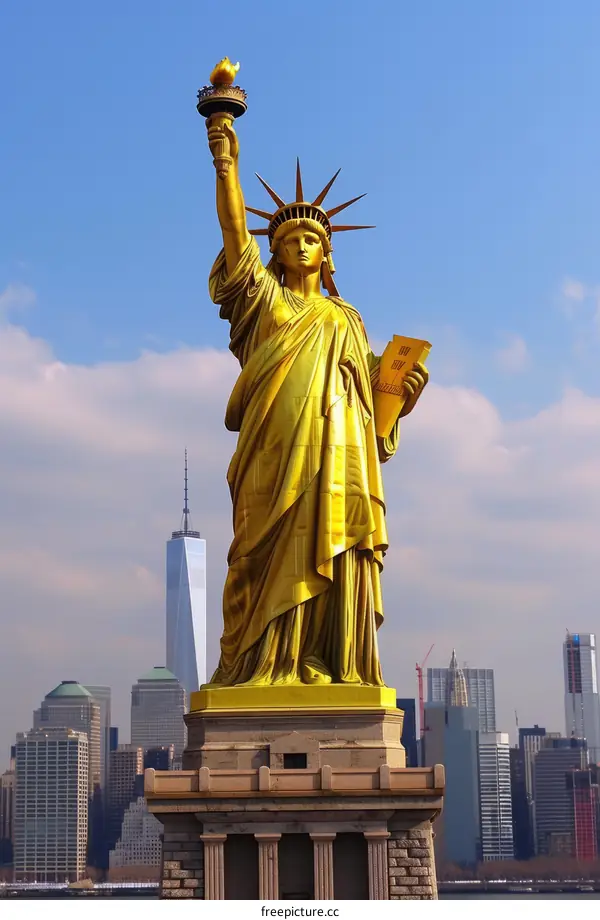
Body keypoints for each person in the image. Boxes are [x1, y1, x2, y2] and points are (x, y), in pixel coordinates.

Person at [205, 116, 428, 688]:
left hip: (338, 452)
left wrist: (400, 394)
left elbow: (374, 404)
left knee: (332, 547)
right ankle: (260, 662)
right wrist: (225, 163)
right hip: (273, 446)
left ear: (326, 254)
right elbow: (235, 236)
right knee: (260, 552)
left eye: (312, 240)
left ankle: (326, 660)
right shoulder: (262, 303)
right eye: (287, 241)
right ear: (274, 254)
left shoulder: (345, 318)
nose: (301, 245)